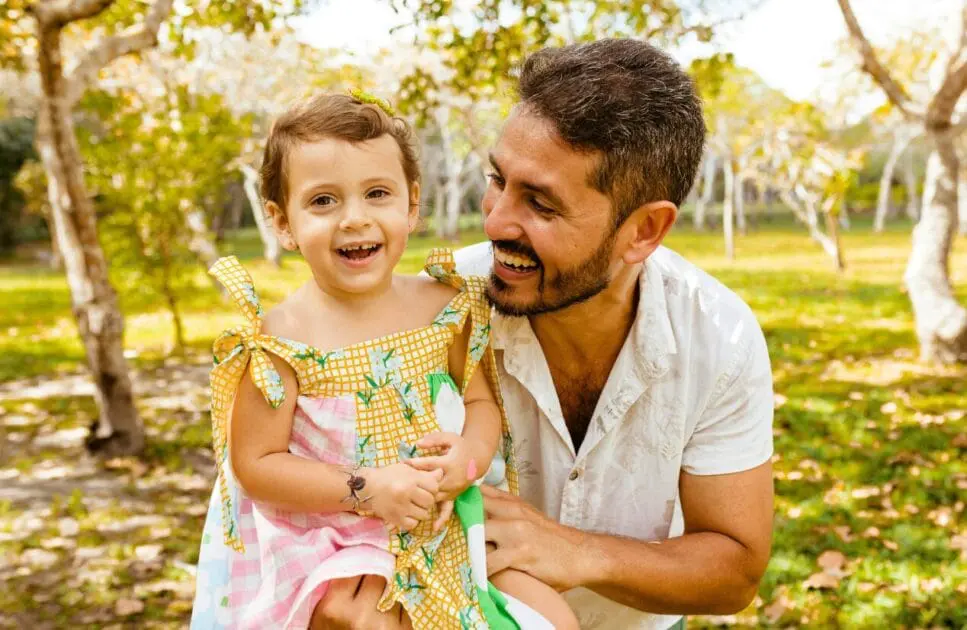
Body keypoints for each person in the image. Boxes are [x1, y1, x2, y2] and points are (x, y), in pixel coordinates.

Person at [314, 38, 775, 630]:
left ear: (644, 230)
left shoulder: (721, 337)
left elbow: (736, 569)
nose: (496, 220)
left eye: (541, 204)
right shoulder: (435, 311)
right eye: (497, 179)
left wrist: (573, 551)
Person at [188, 93, 579, 630]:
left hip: (444, 519)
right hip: (337, 538)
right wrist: (369, 490)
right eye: (323, 201)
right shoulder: (279, 338)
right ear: (282, 222)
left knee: (553, 617)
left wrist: (464, 460)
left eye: (377, 193)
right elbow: (255, 464)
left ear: (411, 205)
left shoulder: (445, 308)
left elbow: (481, 402)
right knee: (374, 621)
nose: (355, 219)